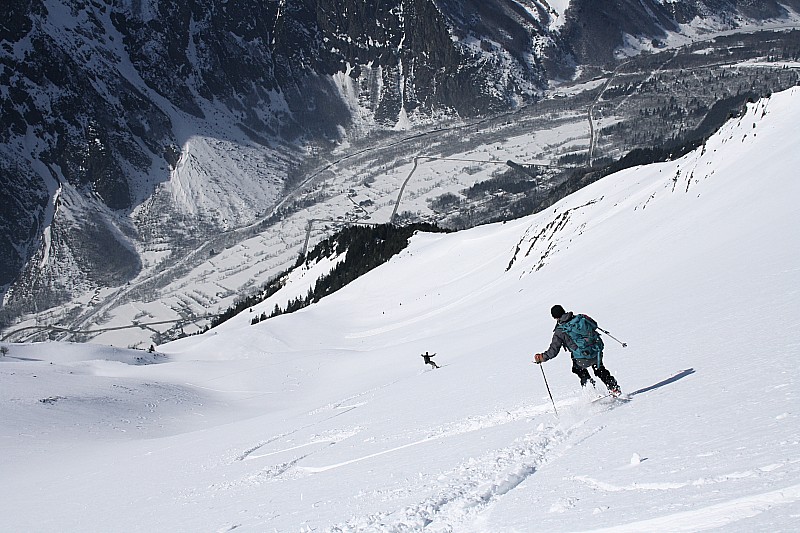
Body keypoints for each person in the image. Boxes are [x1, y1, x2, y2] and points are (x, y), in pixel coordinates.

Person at [534, 305, 621, 395]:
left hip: (582, 357)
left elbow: (553, 351)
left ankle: (591, 392)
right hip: (596, 351)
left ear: (555, 317)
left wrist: (542, 357)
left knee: (578, 369)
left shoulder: (560, 331)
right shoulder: (580, 318)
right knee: (599, 369)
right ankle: (613, 388)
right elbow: (594, 325)